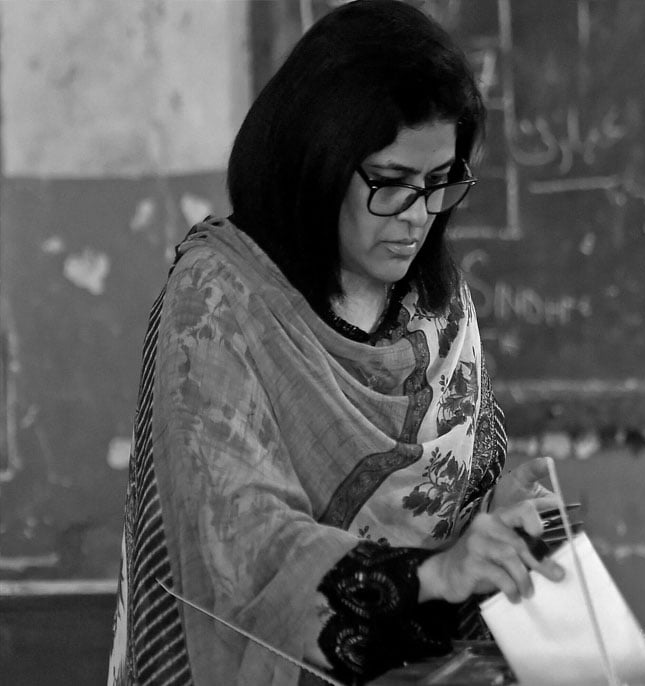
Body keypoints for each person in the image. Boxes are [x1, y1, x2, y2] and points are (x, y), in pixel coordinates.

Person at [108, 2, 563, 684]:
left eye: (440, 183)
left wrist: (502, 516)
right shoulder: (219, 302)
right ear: (316, 163)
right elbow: (241, 545)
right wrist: (432, 572)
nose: (417, 218)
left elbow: (462, 493)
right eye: (390, 184)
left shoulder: (435, 302)